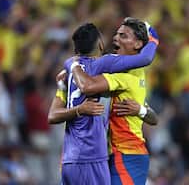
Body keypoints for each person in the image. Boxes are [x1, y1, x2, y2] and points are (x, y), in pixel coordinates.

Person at [48, 21, 158, 185]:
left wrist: (140, 110)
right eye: (116, 34)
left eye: (123, 35)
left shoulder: (128, 76)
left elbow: (153, 117)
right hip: (102, 155)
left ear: (137, 44)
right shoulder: (107, 70)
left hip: (127, 154)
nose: (115, 38)